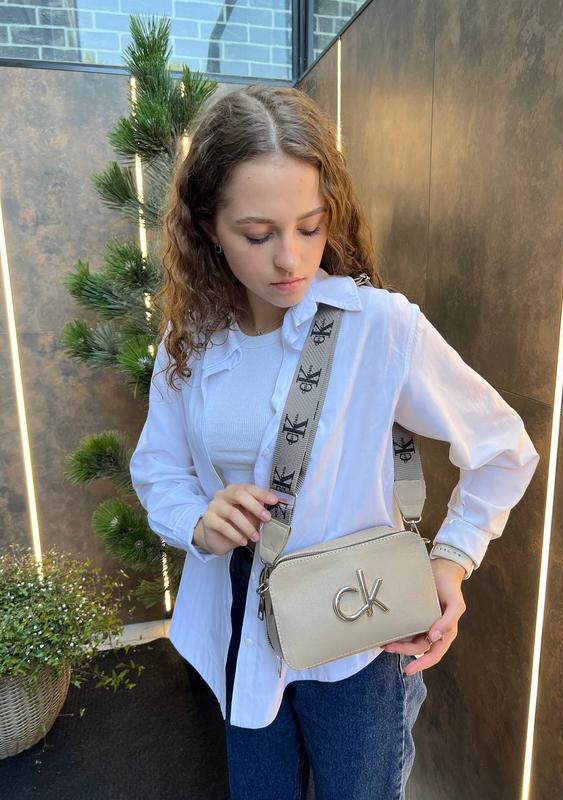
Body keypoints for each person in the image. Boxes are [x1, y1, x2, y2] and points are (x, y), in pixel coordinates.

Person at [129, 84, 540, 800]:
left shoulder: (379, 327)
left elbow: (503, 446)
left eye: (310, 226)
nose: (290, 258)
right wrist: (197, 518)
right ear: (208, 227)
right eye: (257, 234)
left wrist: (452, 560)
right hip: (238, 619)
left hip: (358, 630)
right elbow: (158, 466)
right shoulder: (189, 340)